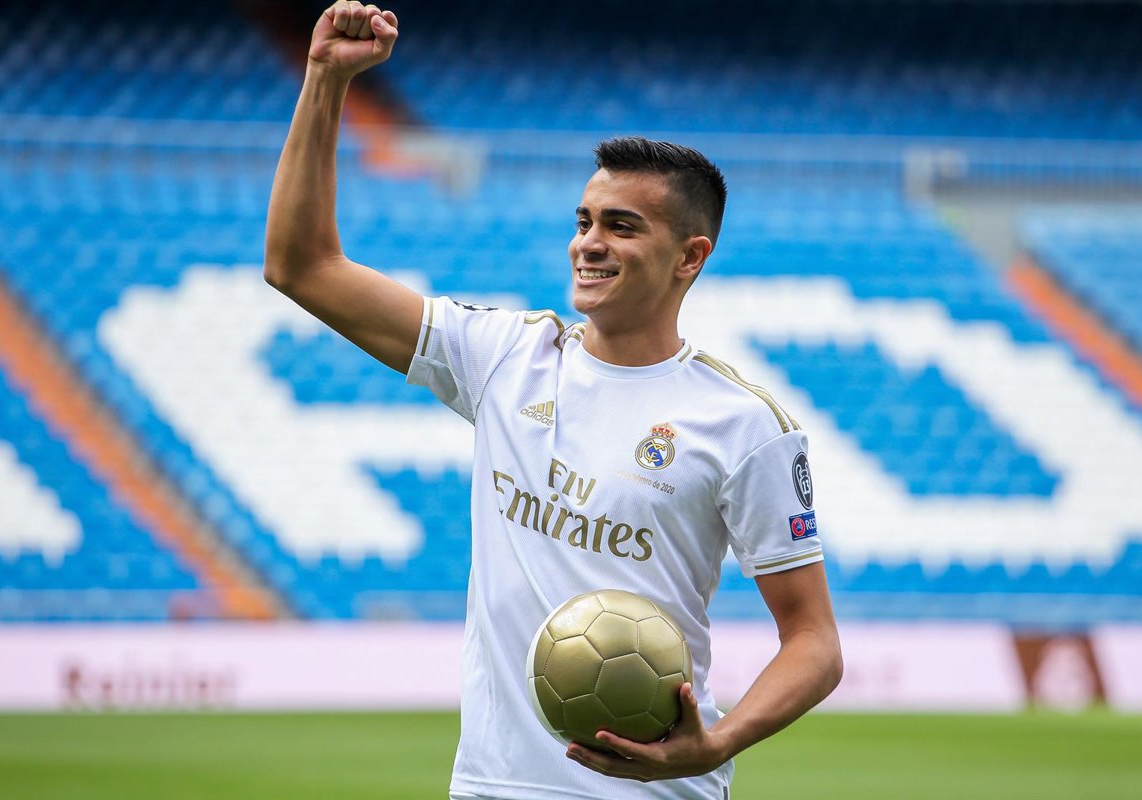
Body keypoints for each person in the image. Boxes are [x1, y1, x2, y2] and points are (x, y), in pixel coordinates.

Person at [265, 3, 843, 798]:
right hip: (492, 786)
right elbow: (302, 266)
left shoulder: (744, 425)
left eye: (622, 226)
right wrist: (325, 79)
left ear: (689, 256)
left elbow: (814, 641)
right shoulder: (504, 357)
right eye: (584, 221)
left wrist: (717, 742)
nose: (589, 242)